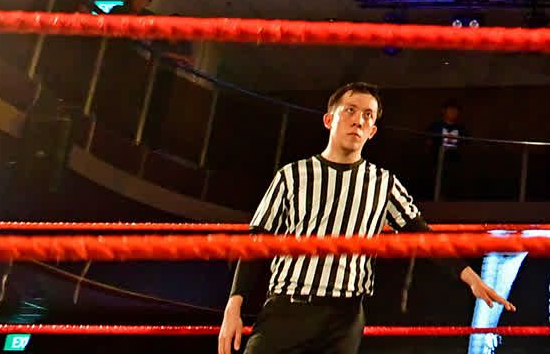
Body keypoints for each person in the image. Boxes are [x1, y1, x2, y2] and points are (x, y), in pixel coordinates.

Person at [219, 82, 512, 354]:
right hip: (287, 308)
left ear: (372, 131)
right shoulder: (292, 175)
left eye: (368, 115)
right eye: (350, 110)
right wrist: (234, 306)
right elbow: (257, 241)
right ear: (329, 119)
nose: (359, 120)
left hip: (344, 319)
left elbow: (421, 235)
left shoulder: (383, 183)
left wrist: (470, 277)